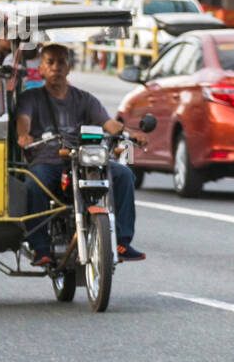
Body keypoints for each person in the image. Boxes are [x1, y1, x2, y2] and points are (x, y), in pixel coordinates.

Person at [15, 43, 150, 265]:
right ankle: (40, 247)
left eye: (61, 62)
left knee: (124, 174)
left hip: (82, 160)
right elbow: (24, 120)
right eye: (50, 62)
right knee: (33, 184)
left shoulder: (84, 99)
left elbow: (107, 123)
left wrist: (130, 134)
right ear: (41, 68)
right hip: (47, 161)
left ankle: (122, 241)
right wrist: (24, 135)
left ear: (69, 68)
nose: (56, 67)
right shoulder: (31, 98)